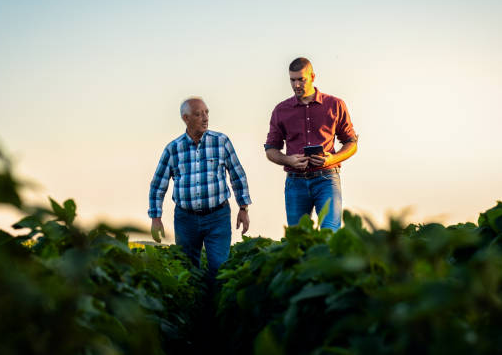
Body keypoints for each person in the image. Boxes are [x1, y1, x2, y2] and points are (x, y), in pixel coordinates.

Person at [148, 97, 251, 280]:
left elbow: (237, 175)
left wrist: (243, 208)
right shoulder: (173, 149)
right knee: (188, 271)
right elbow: (158, 185)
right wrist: (156, 218)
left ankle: (217, 306)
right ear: (186, 118)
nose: (205, 118)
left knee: (219, 270)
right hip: (185, 220)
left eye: (206, 112)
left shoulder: (221, 142)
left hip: (217, 217)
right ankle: (195, 307)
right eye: (198, 114)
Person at [264, 57, 357, 231]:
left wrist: (331, 159)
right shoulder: (280, 110)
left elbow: (351, 142)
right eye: (292, 80)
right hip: (295, 182)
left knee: (330, 233)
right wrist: (289, 160)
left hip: (327, 179)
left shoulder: (335, 105)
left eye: (301, 79)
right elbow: (271, 150)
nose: (296, 85)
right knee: (298, 240)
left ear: (313, 76)